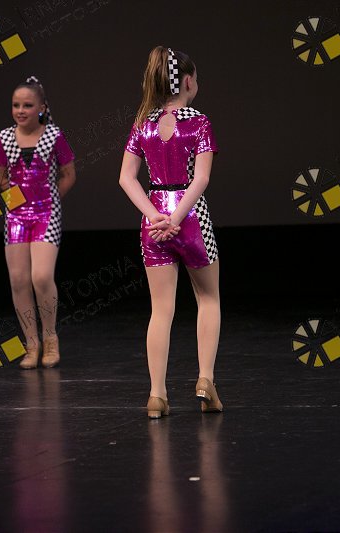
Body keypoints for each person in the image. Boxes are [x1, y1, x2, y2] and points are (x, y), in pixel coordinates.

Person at [119, 47, 223, 418]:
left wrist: (155, 217)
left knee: (161, 310)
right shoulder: (199, 121)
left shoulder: (143, 124)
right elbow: (202, 179)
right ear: (189, 81)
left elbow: (126, 178)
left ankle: (157, 395)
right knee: (208, 298)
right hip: (192, 218)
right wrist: (177, 217)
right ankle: (205, 379)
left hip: (154, 221)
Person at [0, 76, 76, 369]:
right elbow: (1, 177)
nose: (21, 110)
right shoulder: (5, 137)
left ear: (41, 108)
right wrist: (16, 203)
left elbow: (68, 174)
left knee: (41, 276)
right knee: (18, 279)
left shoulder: (53, 135)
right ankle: (31, 343)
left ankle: (50, 337)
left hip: (46, 213)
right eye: (16, 105)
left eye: (27, 105)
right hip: (16, 215)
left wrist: (49, 201)